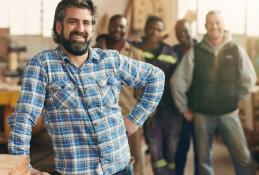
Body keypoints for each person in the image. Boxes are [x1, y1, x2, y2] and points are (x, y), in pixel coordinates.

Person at [7, 1, 165, 175]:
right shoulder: (42, 65)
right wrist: (23, 168)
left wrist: (135, 119)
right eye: (73, 21)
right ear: (59, 27)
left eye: (86, 22)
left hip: (120, 167)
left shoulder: (110, 60)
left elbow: (156, 77)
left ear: (92, 28)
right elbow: (24, 118)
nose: (80, 28)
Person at [171, 10, 256, 175]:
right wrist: (183, 108)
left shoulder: (236, 51)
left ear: (224, 25)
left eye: (217, 22)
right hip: (202, 115)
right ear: (205, 26)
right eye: (210, 23)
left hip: (229, 114)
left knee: (244, 158)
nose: (214, 26)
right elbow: (177, 81)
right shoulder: (195, 52)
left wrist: (237, 99)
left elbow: (249, 79)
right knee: (204, 162)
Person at [95, 14, 145, 175]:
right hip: (102, 117)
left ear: (126, 29)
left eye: (121, 26)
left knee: (135, 157)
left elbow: (142, 90)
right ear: (108, 28)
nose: (117, 29)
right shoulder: (95, 52)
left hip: (129, 116)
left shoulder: (136, 54)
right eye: (114, 25)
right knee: (104, 160)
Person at [133, 16, 180, 175]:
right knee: (155, 150)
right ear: (145, 30)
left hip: (170, 110)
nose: (154, 32)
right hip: (147, 110)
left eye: (159, 29)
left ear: (163, 33)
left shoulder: (170, 53)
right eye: (151, 28)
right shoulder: (135, 49)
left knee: (171, 150)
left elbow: (178, 82)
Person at [172, 19, 200, 175]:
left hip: (199, 109)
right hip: (178, 110)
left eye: (185, 30)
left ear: (192, 30)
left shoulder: (202, 50)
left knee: (201, 151)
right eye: (178, 31)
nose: (182, 34)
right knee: (180, 149)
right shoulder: (172, 51)